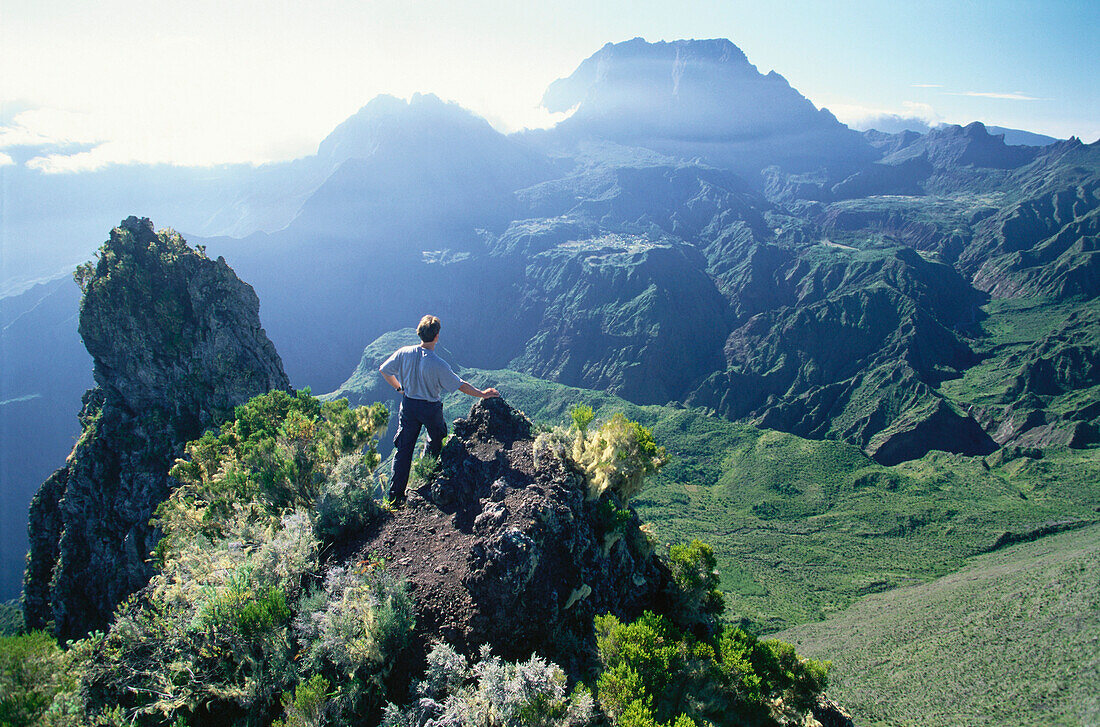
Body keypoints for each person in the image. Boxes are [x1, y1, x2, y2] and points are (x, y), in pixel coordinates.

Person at [379, 315, 499, 505]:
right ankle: (429, 472)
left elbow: (384, 370)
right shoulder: (438, 364)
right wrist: (483, 394)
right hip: (430, 407)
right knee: (436, 437)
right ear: (436, 336)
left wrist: (399, 387)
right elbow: (461, 385)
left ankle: (395, 497)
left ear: (420, 333)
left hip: (408, 404)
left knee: (403, 449)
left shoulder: (404, 352)